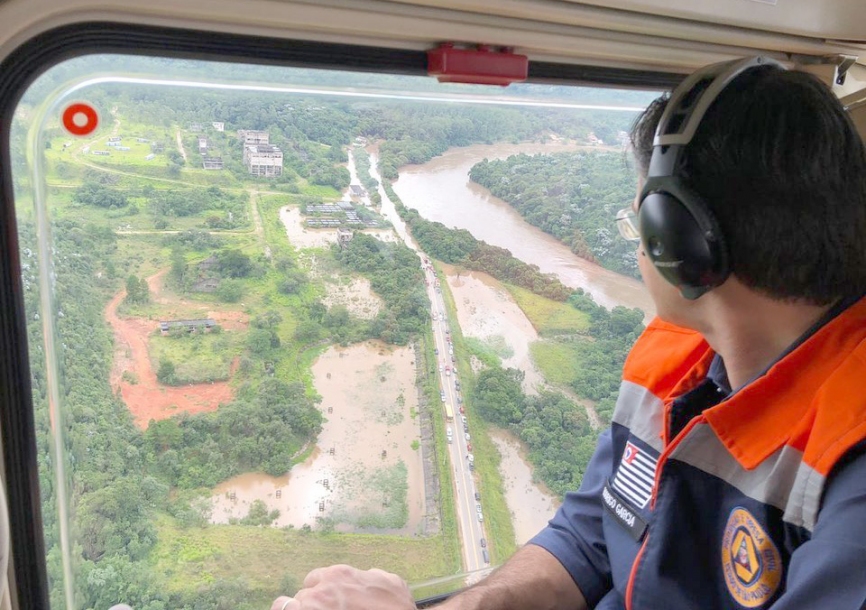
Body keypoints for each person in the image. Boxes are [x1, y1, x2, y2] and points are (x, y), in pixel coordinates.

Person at [271, 57, 866, 610]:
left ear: (680, 242)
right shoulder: (674, 361)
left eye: (641, 221)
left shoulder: (850, 463)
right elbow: (592, 538)